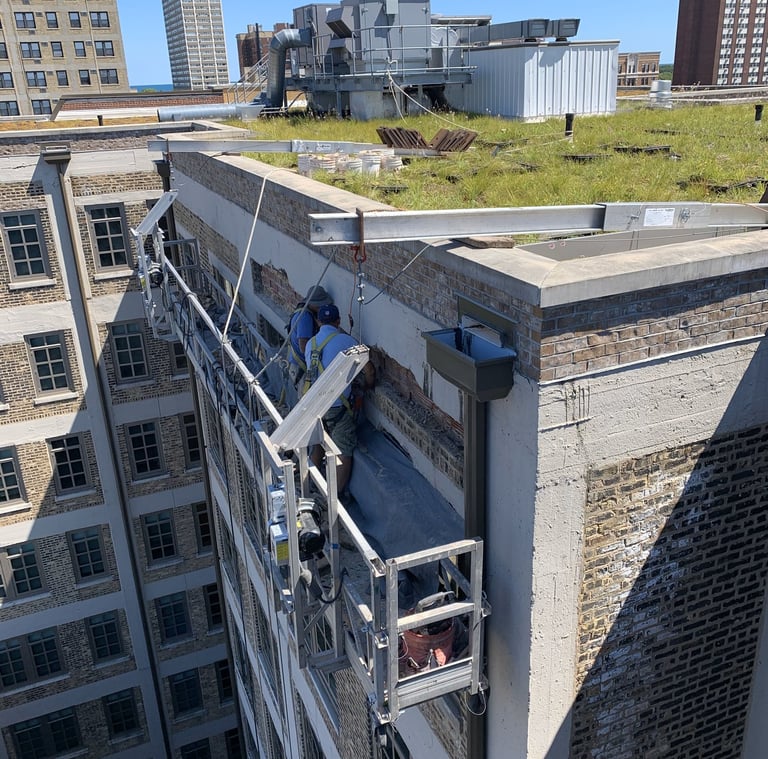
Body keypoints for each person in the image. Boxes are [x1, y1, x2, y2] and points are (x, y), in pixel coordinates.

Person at [303, 303, 375, 497]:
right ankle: (331, 498)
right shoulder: (346, 340)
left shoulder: (311, 343)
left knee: (317, 442)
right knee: (343, 451)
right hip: (338, 406)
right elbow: (368, 369)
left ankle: (311, 487)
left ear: (318, 321)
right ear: (338, 321)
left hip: (314, 405)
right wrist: (368, 385)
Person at [286, 285, 333, 388]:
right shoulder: (305, 318)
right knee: (306, 400)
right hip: (301, 368)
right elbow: (304, 347)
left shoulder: (303, 311)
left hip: (298, 365)